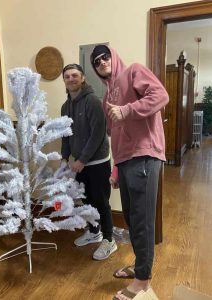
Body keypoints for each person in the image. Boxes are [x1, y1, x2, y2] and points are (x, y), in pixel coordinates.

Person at [90, 45, 169, 299]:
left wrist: (126, 110)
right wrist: (115, 168)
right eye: (96, 61)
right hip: (125, 162)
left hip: (145, 155)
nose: (101, 62)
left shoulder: (134, 71)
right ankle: (140, 267)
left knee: (143, 221)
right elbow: (116, 136)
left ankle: (143, 281)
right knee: (133, 220)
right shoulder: (105, 99)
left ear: (113, 57)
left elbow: (161, 96)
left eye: (104, 56)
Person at [61, 63, 117, 261]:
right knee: (86, 201)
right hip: (78, 164)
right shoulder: (65, 106)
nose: (71, 79)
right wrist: (64, 158)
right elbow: (65, 135)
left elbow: (97, 134)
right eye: (67, 76)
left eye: (74, 75)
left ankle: (109, 240)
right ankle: (94, 232)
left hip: (98, 162)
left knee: (101, 202)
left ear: (82, 78)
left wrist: (82, 160)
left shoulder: (93, 101)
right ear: (64, 81)